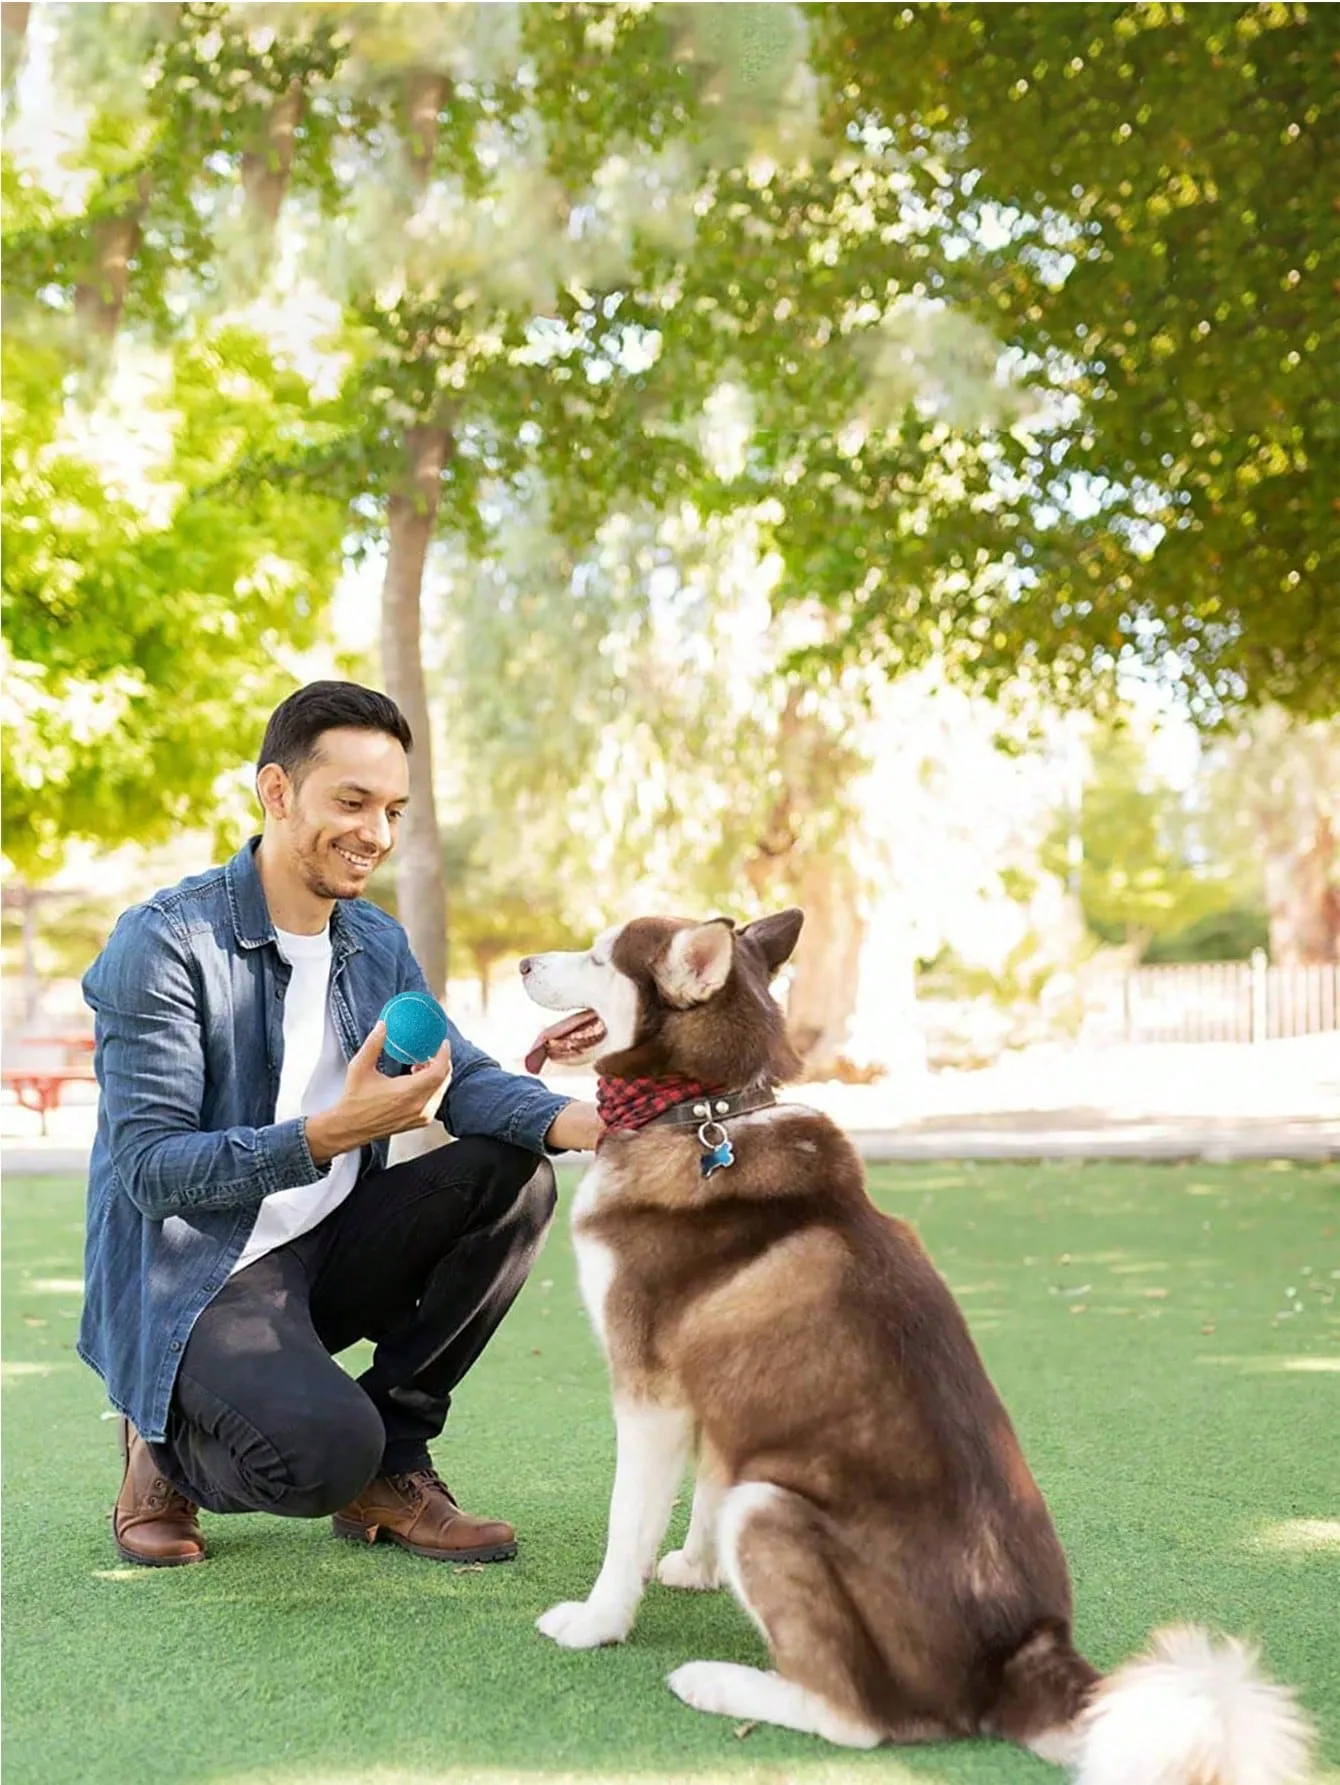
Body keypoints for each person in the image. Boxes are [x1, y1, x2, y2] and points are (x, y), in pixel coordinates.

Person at [78, 681, 602, 1569]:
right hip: (197, 1279)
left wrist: (592, 1121)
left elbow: (461, 1077)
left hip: (324, 1252)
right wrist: (324, 1134)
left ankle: (392, 1465)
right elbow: (149, 1169)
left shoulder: (374, 942)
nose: (376, 833)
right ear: (276, 792)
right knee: (318, 1454)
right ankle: (160, 1441)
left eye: (392, 807)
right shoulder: (165, 942)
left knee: (515, 1174)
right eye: (351, 802)